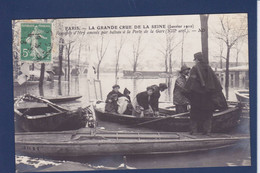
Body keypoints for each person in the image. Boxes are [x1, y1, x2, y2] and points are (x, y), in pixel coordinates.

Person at [184, 52, 226, 135]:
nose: (194, 61)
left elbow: (191, 83)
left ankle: (194, 132)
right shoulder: (208, 67)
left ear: (196, 59)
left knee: (194, 114)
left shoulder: (195, 68)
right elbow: (216, 83)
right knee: (208, 114)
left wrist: (186, 92)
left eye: (194, 60)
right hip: (208, 96)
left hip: (197, 96)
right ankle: (207, 132)